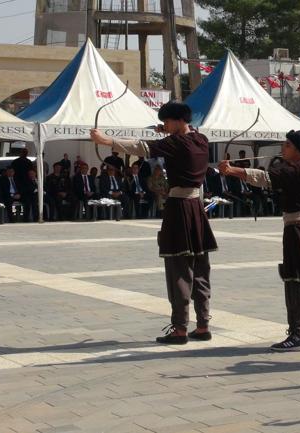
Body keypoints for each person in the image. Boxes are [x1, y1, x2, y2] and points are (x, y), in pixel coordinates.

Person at [90, 101, 217, 345]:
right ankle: (202, 324)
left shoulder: (173, 143)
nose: (165, 126)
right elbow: (181, 136)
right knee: (200, 268)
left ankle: (180, 329)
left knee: (178, 270)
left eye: (168, 121)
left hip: (179, 208)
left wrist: (106, 140)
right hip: (197, 209)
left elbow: (141, 147)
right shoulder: (200, 140)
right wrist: (166, 130)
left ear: (179, 120)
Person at [219, 130, 300, 352]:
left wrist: (231, 170)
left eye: (287, 145)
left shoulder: (294, 170)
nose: (282, 149)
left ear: (298, 151)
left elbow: (264, 178)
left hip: (297, 230)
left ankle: (297, 335)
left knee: (295, 280)